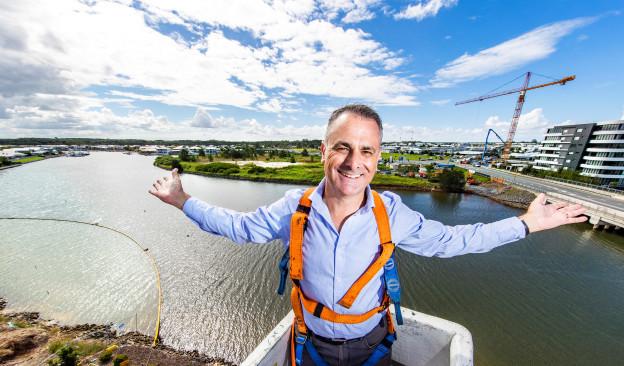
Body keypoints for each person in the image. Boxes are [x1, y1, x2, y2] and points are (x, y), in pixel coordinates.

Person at [149, 104, 587, 366]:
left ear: (377, 158)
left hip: (372, 344)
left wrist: (527, 223)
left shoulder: (390, 214)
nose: (353, 161)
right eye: (342, 146)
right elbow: (239, 227)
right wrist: (183, 199)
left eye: (366, 150)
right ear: (323, 151)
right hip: (311, 343)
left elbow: (454, 241)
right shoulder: (294, 209)